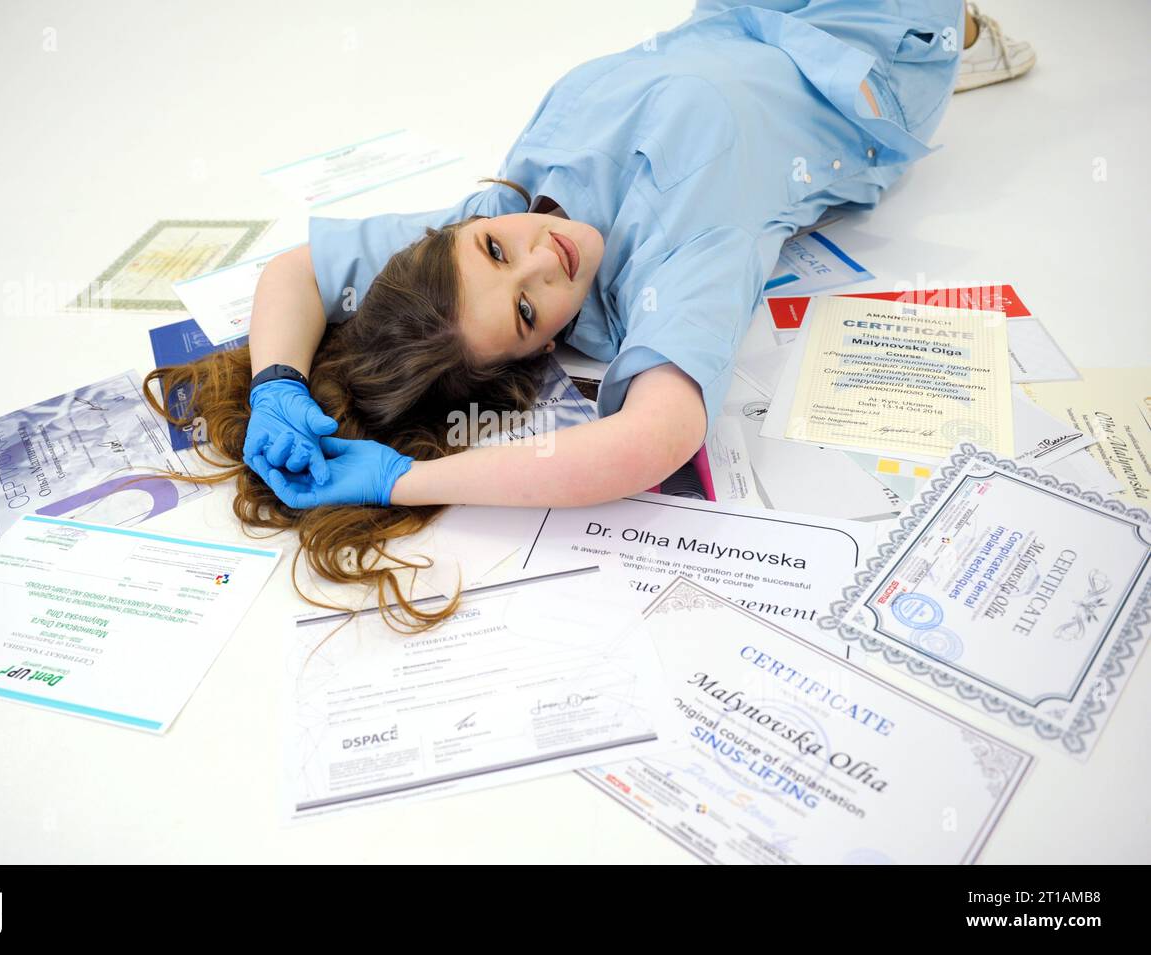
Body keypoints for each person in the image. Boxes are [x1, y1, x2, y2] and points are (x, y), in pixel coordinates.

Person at [147, 0, 1036, 627]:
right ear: (545, 344)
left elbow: (296, 270)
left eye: (496, 251)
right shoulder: (683, 248)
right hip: (869, 47)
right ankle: (961, 35)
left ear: (462, 232)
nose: (543, 254)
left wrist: (275, 382)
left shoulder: (498, 205)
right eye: (533, 310)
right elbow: (651, 439)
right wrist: (398, 481)